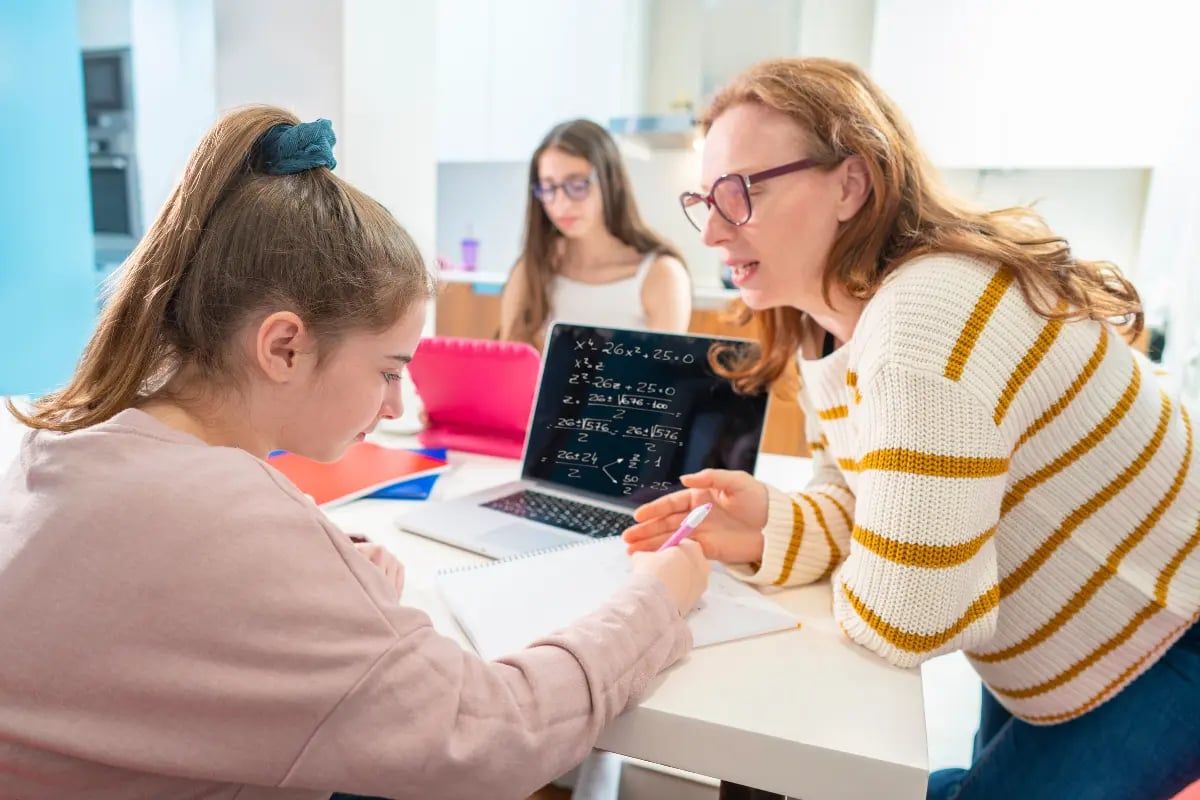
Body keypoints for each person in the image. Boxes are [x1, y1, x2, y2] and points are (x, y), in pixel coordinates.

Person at [0, 106, 710, 800]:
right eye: (388, 370)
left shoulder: (62, 443)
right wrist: (657, 598)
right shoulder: (230, 517)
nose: (397, 406)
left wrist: (312, 594)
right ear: (284, 346)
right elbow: (496, 736)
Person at [623, 58, 1200, 800]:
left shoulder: (924, 317)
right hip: (1063, 637)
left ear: (850, 185)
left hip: (1171, 621)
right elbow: (856, 490)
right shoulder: (829, 325)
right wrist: (775, 526)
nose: (710, 231)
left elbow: (910, 619)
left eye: (741, 193)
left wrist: (860, 548)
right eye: (705, 198)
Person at [500, 118, 691, 349]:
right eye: (549, 187)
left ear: (611, 182)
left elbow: (663, 376)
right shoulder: (531, 269)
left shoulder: (661, 274)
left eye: (577, 185)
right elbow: (512, 366)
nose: (561, 204)